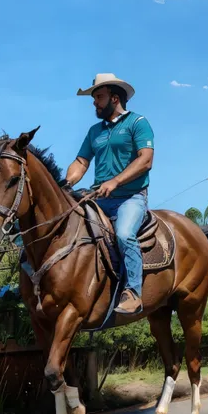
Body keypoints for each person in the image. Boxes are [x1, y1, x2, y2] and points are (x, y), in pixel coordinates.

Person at [65, 73, 154, 315]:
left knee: (124, 234)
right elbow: (81, 162)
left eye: (99, 97)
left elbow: (145, 161)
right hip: (100, 199)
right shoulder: (95, 131)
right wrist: (67, 181)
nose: (95, 102)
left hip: (131, 197)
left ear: (115, 98)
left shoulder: (138, 123)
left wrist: (115, 181)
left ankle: (133, 292)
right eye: (94, 98)